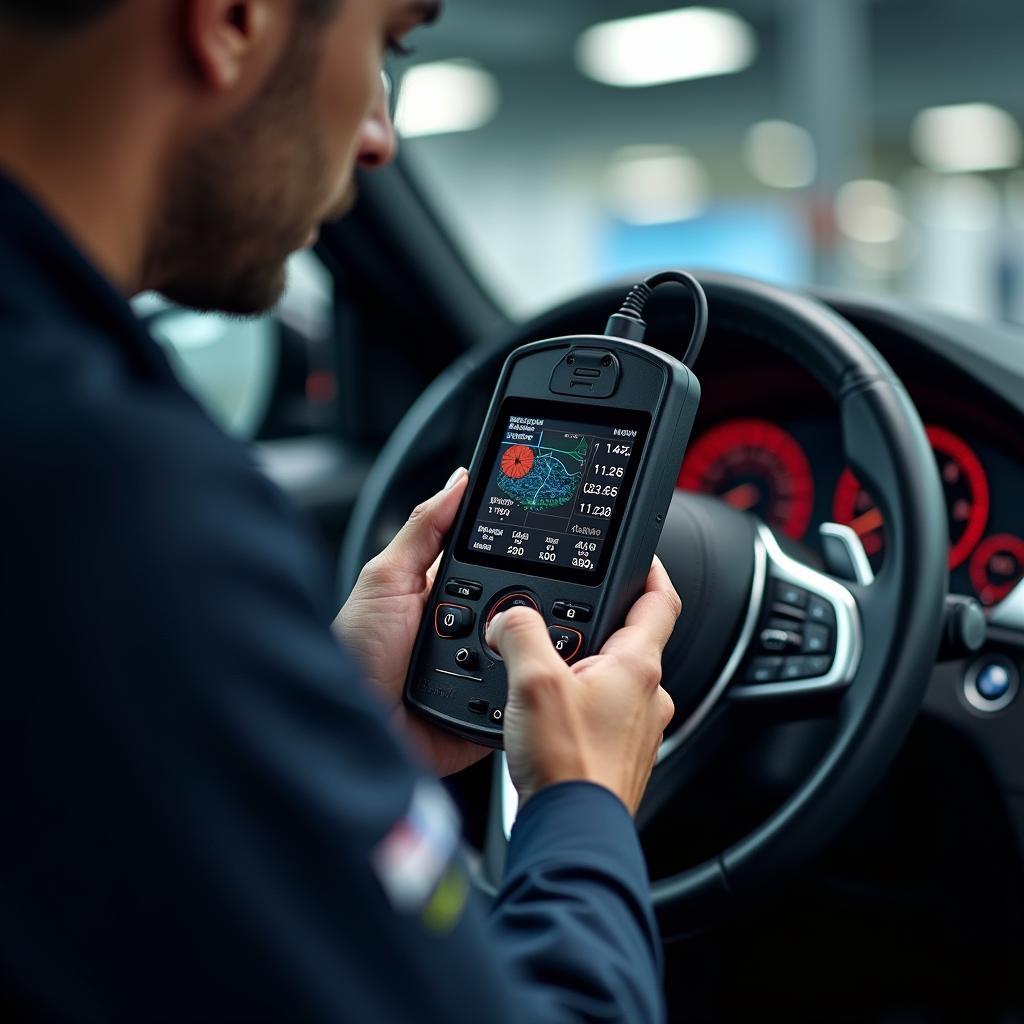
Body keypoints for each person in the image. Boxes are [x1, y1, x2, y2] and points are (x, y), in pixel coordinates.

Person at [0, 1, 681, 1020]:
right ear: (234, 19)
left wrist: (332, 739)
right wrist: (579, 805)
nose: (378, 138)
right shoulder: (118, 502)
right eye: (386, 48)